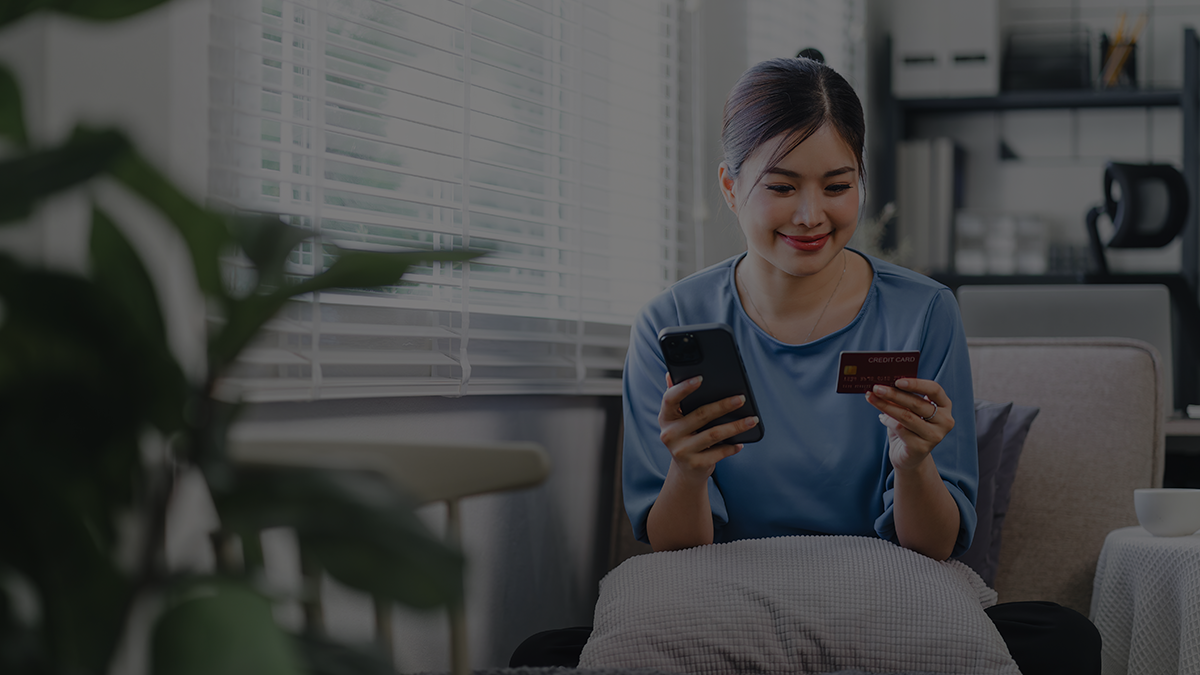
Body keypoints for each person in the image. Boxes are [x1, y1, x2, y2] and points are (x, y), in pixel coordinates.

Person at [511, 57, 1101, 674]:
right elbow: (671, 548)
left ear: (862, 183)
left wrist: (915, 464)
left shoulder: (923, 310)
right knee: (540, 653)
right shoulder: (671, 318)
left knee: (1064, 638)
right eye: (782, 186)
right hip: (726, 605)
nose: (811, 215)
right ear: (730, 186)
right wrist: (687, 472)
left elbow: (931, 549)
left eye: (837, 186)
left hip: (884, 604)